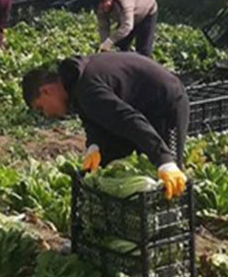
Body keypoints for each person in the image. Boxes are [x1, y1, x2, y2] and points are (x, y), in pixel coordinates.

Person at [22, 53, 188, 199]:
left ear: (46, 91)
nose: (47, 115)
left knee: (169, 178)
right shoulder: (75, 83)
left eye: (41, 108)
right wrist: (94, 146)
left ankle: (173, 218)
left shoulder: (87, 89)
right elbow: (93, 118)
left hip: (165, 103)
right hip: (140, 105)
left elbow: (128, 120)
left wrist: (165, 160)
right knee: (114, 161)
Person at [92, 0, 158, 57]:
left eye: (104, 6)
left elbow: (127, 26)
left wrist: (110, 41)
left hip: (146, 10)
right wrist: (104, 43)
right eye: (100, 8)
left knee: (143, 49)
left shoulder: (124, 0)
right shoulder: (101, 9)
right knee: (120, 45)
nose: (103, 10)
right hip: (127, 16)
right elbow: (103, 27)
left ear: (109, 0)